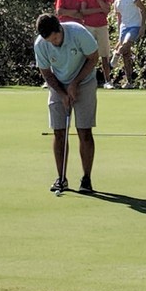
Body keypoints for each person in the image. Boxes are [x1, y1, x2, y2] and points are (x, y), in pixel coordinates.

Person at [34, 13, 99, 194]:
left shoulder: (78, 33)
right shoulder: (41, 44)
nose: (54, 43)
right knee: (59, 131)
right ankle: (61, 178)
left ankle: (86, 179)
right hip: (58, 84)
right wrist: (62, 94)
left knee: (84, 131)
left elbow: (94, 57)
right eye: (50, 40)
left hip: (85, 81)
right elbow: (47, 74)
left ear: (60, 29)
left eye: (55, 38)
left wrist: (75, 83)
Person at [107, 0, 146, 89]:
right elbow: (119, 19)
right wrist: (119, 33)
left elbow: (143, 9)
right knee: (126, 54)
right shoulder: (116, 2)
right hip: (124, 28)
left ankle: (116, 54)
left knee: (125, 45)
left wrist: (143, 25)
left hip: (134, 26)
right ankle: (129, 81)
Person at [80, 0, 114, 88]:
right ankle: (85, 80)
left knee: (104, 54)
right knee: (88, 54)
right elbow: (84, 11)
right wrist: (99, 10)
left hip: (102, 26)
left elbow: (107, 10)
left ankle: (107, 81)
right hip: (88, 26)